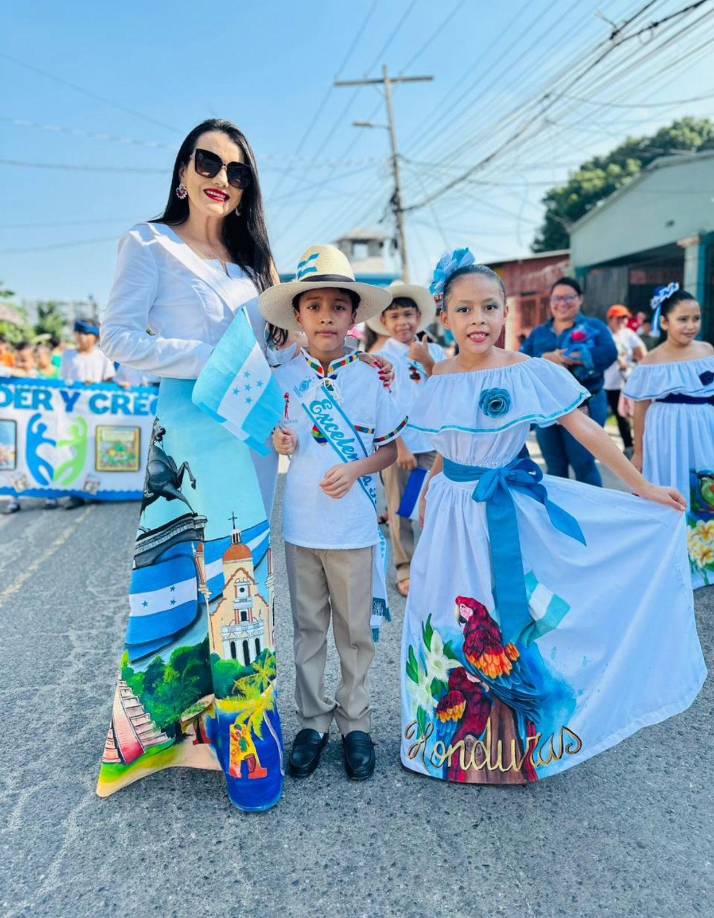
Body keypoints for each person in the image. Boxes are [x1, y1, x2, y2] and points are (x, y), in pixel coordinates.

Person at [400, 248, 705, 787]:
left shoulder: (528, 372)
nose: (479, 321)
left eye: (490, 308)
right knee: (452, 608)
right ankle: (450, 739)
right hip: (450, 515)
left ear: (506, 314)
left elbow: (584, 429)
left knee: (507, 611)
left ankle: (521, 735)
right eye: (465, 310)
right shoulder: (436, 379)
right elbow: (437, 458)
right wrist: (416, 512)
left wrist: (641, 487)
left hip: (504, 509)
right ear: (443, 317)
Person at [96, 118, 289, 812]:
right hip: (191, 432)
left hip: (252, 436)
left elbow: (282, 350)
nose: (222, 179)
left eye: (238, 171)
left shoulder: (254, 263)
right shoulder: (148, 243)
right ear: (183, 168)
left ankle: (244, 729)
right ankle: (220, 741)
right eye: (209, 162)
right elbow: (119, 341)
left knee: (245, 581)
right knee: (190, 583)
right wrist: (207, 360)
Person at [264, 244, 405, 782]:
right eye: (314, 305)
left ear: (353, 316)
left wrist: (357, 469)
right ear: (298, 315)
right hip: (300, 526)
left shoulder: (372, 376)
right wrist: (276, 439)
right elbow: (267, 435)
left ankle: (357, 723)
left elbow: (392, 449)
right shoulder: (281, 375)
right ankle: (312, 722)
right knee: (307, 630)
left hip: (351, 530)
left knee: (354, 633)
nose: (326, 315)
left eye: (337, 306)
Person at [625, 283, 714, 589]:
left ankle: (705, 558)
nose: (691, 326)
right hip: (665, 431)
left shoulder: (707, 351)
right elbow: (640, 408)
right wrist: (638, 452)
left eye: (696, 318)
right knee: (670, 484)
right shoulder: (652, 359)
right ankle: (672, 559)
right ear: (664, 322)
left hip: (703, 427)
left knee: (705, 485)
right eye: (683, 319)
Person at [366, 281, 444, 596]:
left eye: (408, 315)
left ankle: (435, 563)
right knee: (400, 509)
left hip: (434, 446)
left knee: (429, 504)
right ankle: (405, 567)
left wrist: (426, 360)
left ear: (418, 317)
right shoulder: (381, 358)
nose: (403, 323)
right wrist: (399, 445)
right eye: (395, 316)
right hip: (401, 447)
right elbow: (381, 405)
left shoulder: (434, 351)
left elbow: (449, 389)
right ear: (384, 322)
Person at [520, 277, 617, 485]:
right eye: (557, 298)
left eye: (569, 297)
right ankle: (560, 515)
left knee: (583, 463)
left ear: (580, 299)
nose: (562, 303)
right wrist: (544, 359)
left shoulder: (594, 327)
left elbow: (609, 353)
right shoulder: (539, 332)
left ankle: (592, 515)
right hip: (547, 407)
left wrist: (571, 357)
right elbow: (521, 361)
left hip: (586, 405)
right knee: (554, 466)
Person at [603, 304, 646, 455]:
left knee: (622, 416)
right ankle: (598, 448)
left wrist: (638, 365)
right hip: (602, 384)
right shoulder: (604, 333)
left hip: (621, 383)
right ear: (610, 319)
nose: (623, 320)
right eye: (619, 317)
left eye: (625, 317)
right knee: (598, 418)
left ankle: (629, 447)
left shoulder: (628, 333)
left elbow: (642, 352)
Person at [61, 320, 115, 384]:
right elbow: (63, 380)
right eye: (80, 333)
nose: (82, 336)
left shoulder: (103, 356)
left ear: (96, 337)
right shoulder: (68, 354)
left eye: (86, 333)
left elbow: (109, 378)